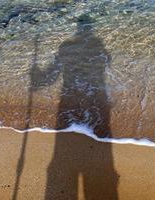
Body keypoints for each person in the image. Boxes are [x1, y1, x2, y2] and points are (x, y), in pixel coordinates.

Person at [31, 14, 119, 200]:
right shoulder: (99, 46)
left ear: (77, 28)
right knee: (100, 155)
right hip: (98, 101)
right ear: (90, 29)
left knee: (62, 158)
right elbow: (108, 62)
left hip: (69, 103)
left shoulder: (66, 47)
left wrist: (36, 77)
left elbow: (50, 77)